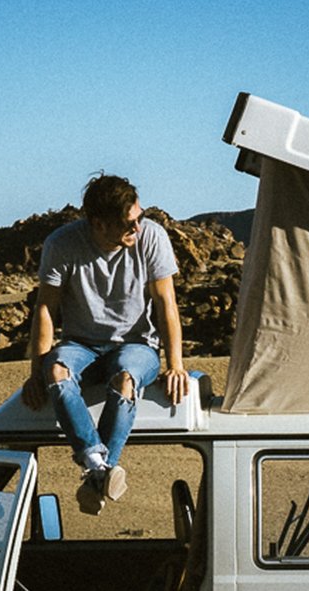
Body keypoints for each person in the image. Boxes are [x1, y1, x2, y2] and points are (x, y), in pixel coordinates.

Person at [22, 173, 191, 514]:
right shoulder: (62, 244)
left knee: (125, 378)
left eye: (139, 218)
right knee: (54, 370)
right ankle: (100, 470)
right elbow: (45, 308)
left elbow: (165, 304)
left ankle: (94, 468)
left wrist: (176, 365)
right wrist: (35, 372)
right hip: (81, 345)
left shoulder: (153, 238)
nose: (138, 228)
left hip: (136, 345)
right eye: (129, 223)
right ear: (98, 224)